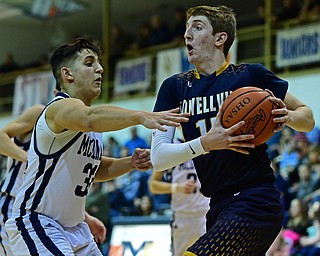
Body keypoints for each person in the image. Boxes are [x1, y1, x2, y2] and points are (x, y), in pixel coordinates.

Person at [150, 5, 315, 255]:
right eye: (186, 28)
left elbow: (308, 118)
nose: (187, 34)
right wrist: (205, 143)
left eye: (197, 27)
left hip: (255, 200)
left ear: (220, 38)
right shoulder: (175, 88)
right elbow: (159, 157)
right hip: (217, 205)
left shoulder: (250, 75)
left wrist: (289, 116)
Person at [4, 36, 189, 256]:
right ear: (67, 74)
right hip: (38, 222)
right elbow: (89, 117)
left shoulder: (93, 128)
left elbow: (93, 168)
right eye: (89, 63)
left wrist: (130, 163)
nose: (100, 69)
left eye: (99, 63)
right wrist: (141, 116)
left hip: (75, 228)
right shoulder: (58, 108)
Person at [0, 104, 106, 255]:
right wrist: (30, 158)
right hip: (14, 203)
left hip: (44, 213)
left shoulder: (73, 129)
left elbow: (57, 189)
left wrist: (86, 217)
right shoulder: (41, 112)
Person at [149, 139, 210, 256]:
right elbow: (153, 185)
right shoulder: (169, 146)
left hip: (206, 213)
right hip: (182, 216)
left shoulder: (206, 139)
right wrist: (177, 187)